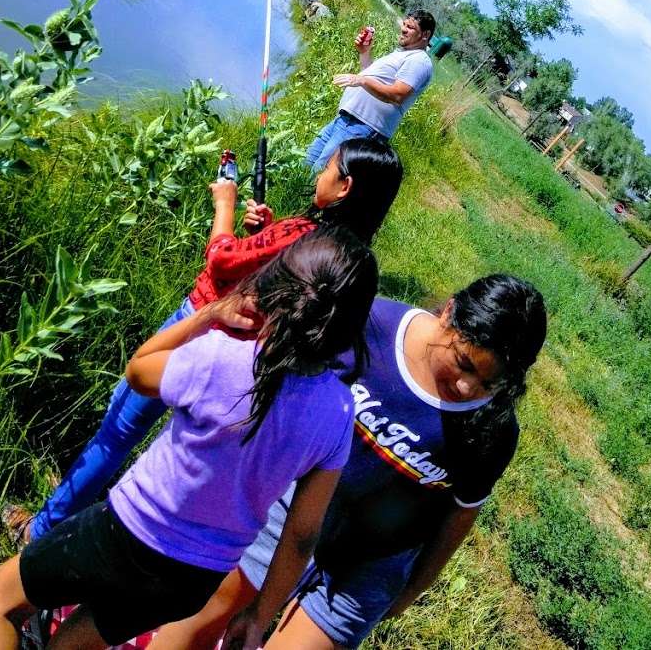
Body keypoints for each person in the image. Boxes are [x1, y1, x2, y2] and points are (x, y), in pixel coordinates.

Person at [0, 228, 379, 650]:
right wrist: (259, 614)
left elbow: (138, 370)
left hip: (129, 533)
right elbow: (300, 534)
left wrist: (207, 315)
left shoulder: (219, 358)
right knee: (77, 642)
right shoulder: (338, 413)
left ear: (276, 288)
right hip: (195, 579)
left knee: (3, 596)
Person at [9, 138, 403, 545]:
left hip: (200, 328)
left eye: (329, 168)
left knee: (118, 430)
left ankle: (40, 530)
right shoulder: (344, 255)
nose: (320, 172)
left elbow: (220, 261)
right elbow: (285, 280)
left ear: (345, 187)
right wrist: (264, 235)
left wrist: (225, 203)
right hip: (243, 362)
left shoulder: (302, 231)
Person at [147, 273, 547, 650]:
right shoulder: (371, 325)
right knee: (198, 618)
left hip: (368, 570)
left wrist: (414, 588)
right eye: (463, 362)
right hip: (286, 513)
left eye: (491, 383)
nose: (467, 387)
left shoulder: (495, 431)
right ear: (448, 311)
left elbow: (460, 516)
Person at [306, 11, 437, 171]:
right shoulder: (402, 54)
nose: (403, 29)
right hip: (345, 120)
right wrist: (364, 52)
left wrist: (361, 80)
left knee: (320, 175)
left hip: (364, 127)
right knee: (306, 165)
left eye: (410, 27)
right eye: (404, 24)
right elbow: (369, 76)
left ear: (425, 34)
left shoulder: (419, 61)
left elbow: (397, 95)